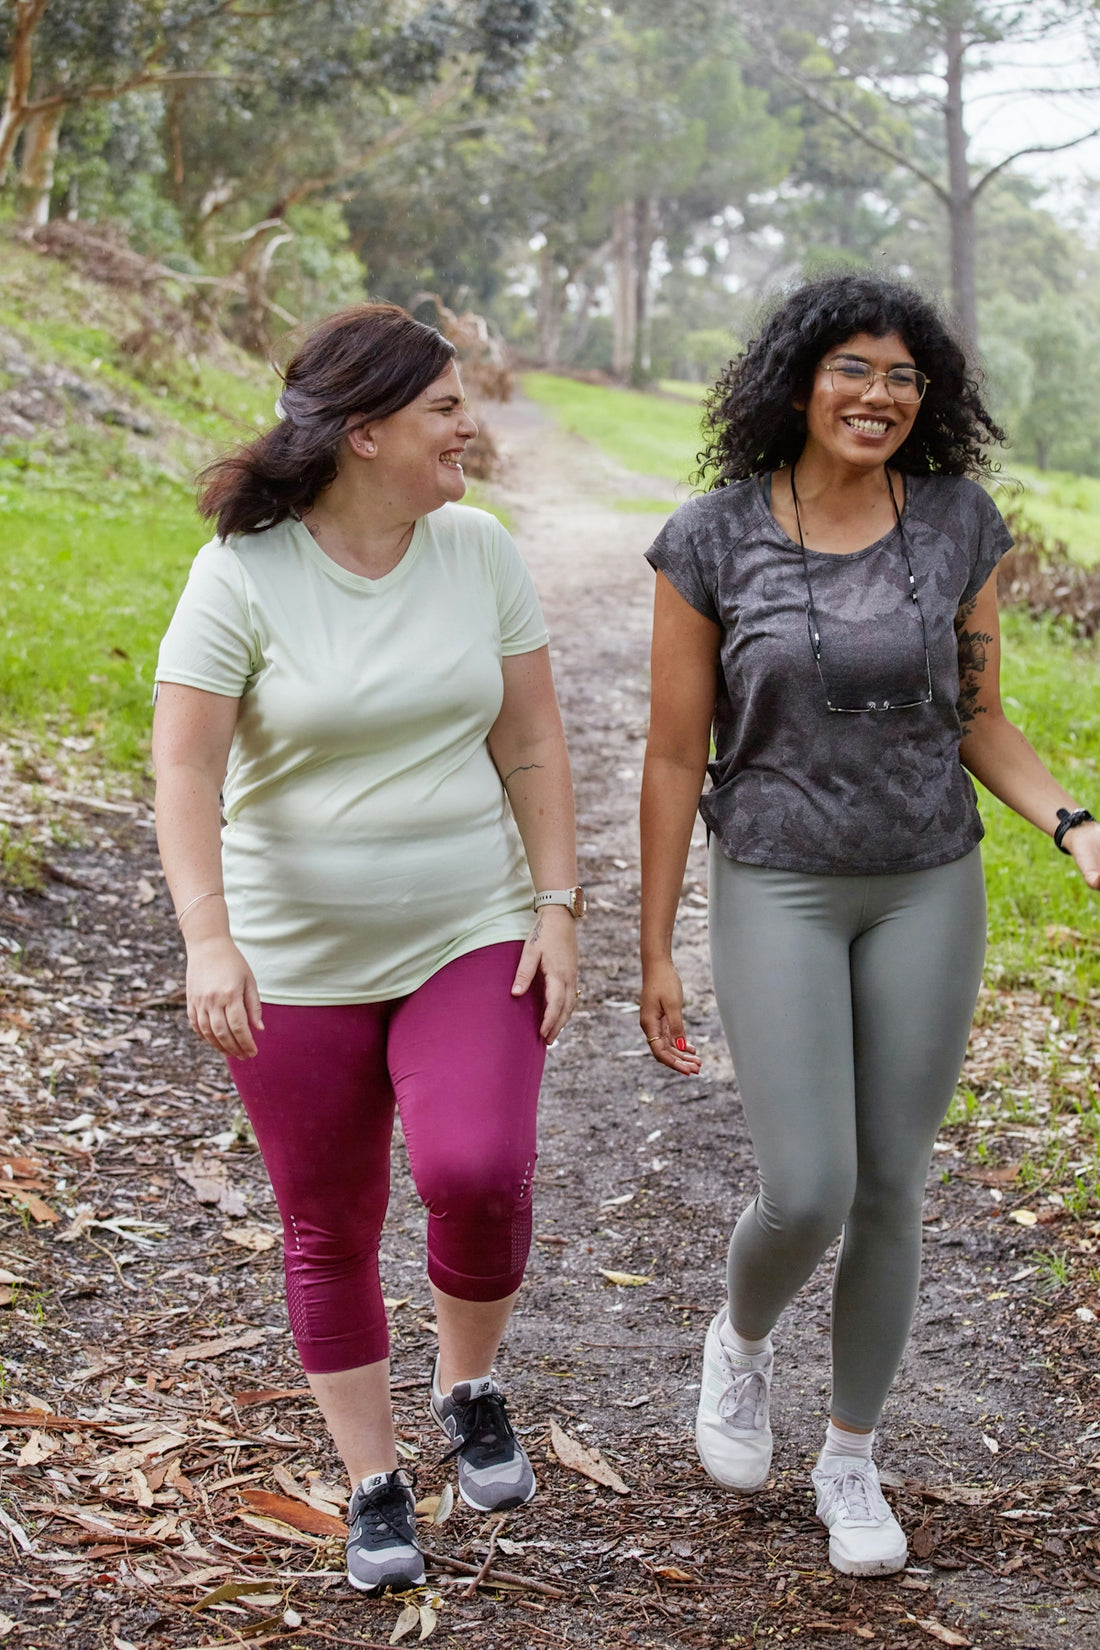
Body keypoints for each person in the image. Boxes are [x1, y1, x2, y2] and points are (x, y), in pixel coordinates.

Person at [639, 272, 1100, 1578]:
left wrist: (1074, 825)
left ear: (928, 396)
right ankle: (739, 1340)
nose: (879, 396)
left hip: (924, 879)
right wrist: (654, 940)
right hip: (777, 874)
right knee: (813, 1184)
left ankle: (851, 1455)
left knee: (894, 1182)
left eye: (903, 376)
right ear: (798, 381)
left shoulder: (956, 524)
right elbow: (676, 757)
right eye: (854, 369)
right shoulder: (712, 541)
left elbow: (978, 714)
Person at [152, 303, 584, 1594]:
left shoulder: (478, 550)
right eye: (445, 407)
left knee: (479, 1165)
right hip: (293, 953)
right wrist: (208, 938)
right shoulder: (243, 570)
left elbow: (534, 741)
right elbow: (185, 761)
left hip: (468, 921)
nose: (471, 425)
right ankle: (375, 1480)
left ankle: (469, 1385)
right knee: (326, 1223)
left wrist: (556, 902)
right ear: (365, 431)